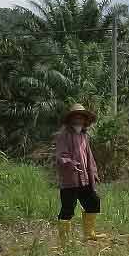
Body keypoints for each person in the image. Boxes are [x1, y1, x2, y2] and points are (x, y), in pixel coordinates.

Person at [54, 104, 106, 246]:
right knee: (67, 209)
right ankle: (64, 242)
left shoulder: (84, 136)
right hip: (70, 179)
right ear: (71, 119)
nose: (79, 120)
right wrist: (70, 163)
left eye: (81, 117)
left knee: (93, 202)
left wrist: (93, 173)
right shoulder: (63, 136)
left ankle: (89, 234)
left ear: (85, 120)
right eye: (76, 117)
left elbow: (89, 157)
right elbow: (61, 155)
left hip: (85, 179)